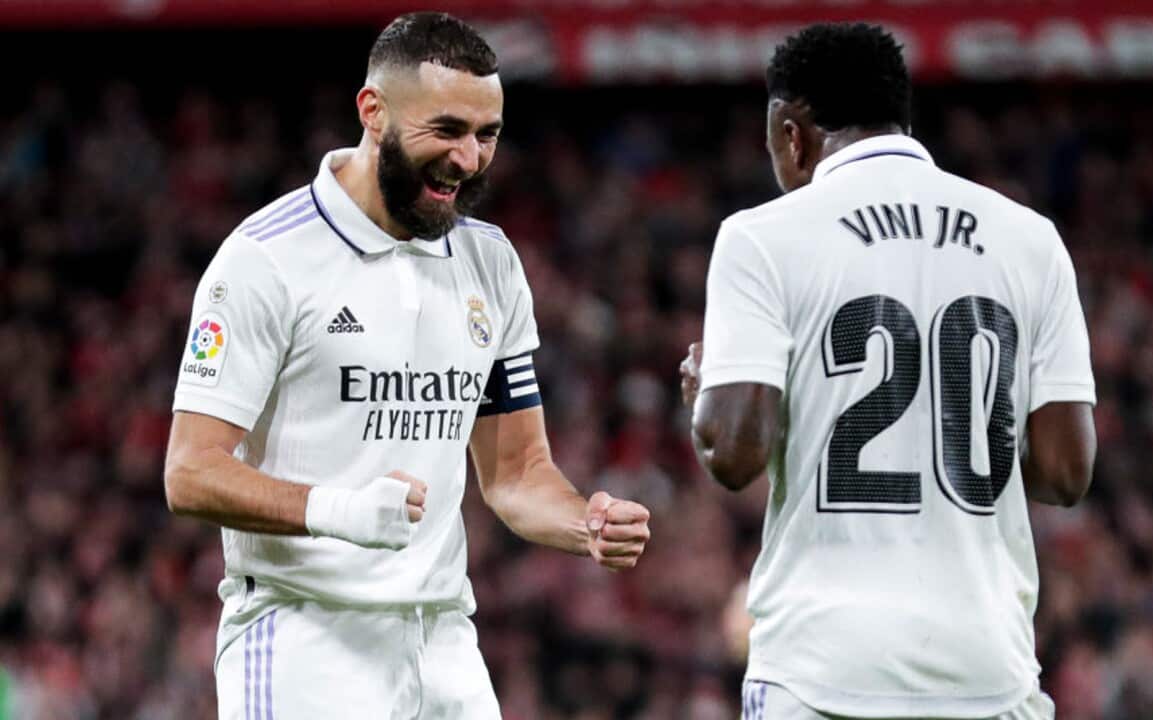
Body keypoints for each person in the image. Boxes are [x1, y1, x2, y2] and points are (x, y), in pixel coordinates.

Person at [163, 12, 651, 719]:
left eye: (488, 136)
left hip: (446, 642)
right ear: (373, 110)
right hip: (306, 638)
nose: (469, 160)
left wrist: (587, 525)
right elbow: (189, 471)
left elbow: (516, 475)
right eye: (447, 130)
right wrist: (337, 510)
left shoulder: (490, 261)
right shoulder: (266, 260)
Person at [680, 22, 1096, 720]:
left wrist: (702, 406)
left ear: (791, 132)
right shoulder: (1031, 240)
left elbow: (735, 453)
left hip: (820, 671)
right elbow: (1065, 472)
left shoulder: (762, 237)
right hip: (987, 668)